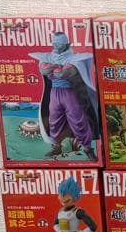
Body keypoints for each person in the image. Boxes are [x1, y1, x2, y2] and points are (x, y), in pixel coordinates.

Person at [31, 31, 99, 160]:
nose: (56, 47)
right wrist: (55, 66)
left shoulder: (74, 58)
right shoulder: (49, 57)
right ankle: (56, 146)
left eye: (60, 44)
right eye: (54, 44)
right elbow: (43, 70)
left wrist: (53, 67)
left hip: (69, 93)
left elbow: (63, 74)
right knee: (54, 120)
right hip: (54, 92)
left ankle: (87, 148)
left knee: (78, 120)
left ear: (67, 44)